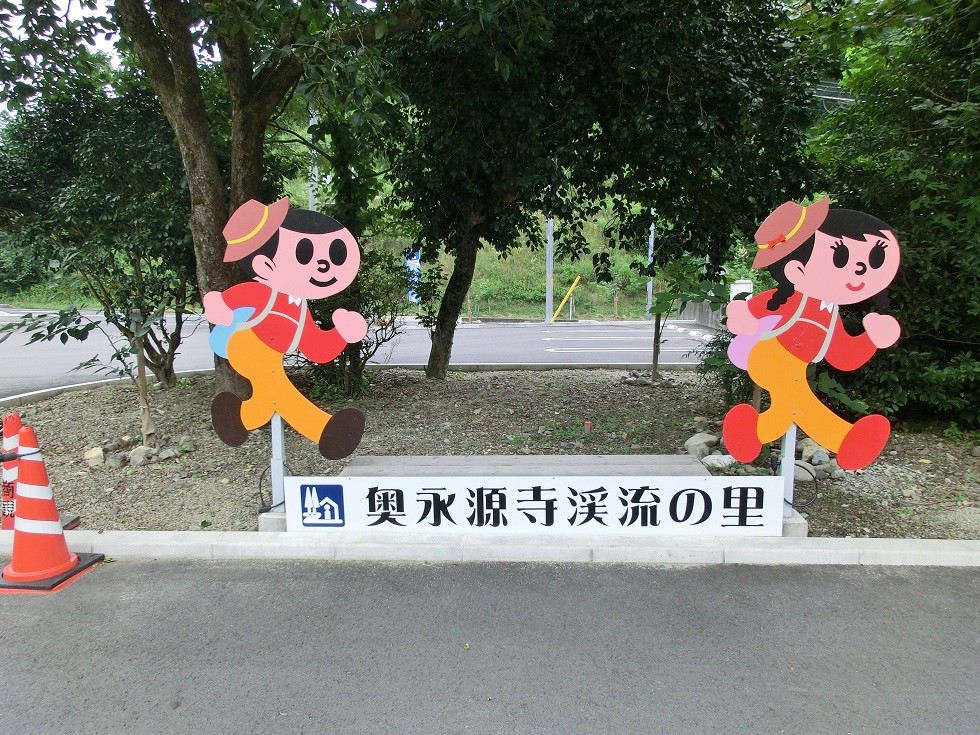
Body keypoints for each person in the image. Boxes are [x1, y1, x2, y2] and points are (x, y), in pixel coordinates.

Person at [723, 197, 901, 471]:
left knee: (790, 406)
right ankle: (843, 440)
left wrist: (871, 339)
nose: (859, 270)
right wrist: (743, 316)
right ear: (796, 268)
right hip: (770, 355)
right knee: (796, 400)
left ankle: (751, 433)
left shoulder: (829, 313)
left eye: (876, 258)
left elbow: (844, 356)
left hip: (796, 365)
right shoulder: (792, 299)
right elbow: (755, 309)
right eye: (840, 257)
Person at [203, 197, 368, 459]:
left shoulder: (300, 308)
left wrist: (341, 334)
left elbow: (316, 348)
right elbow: (224, 302)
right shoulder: (260, 294)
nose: (323, 265)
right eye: (304, 253)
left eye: (335, 253)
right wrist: (218, 306)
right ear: (264, 265)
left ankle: (238, 419)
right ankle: (324, 430)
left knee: (269, 395)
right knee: (277, 386)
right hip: (246, 344)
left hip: (270, 355)